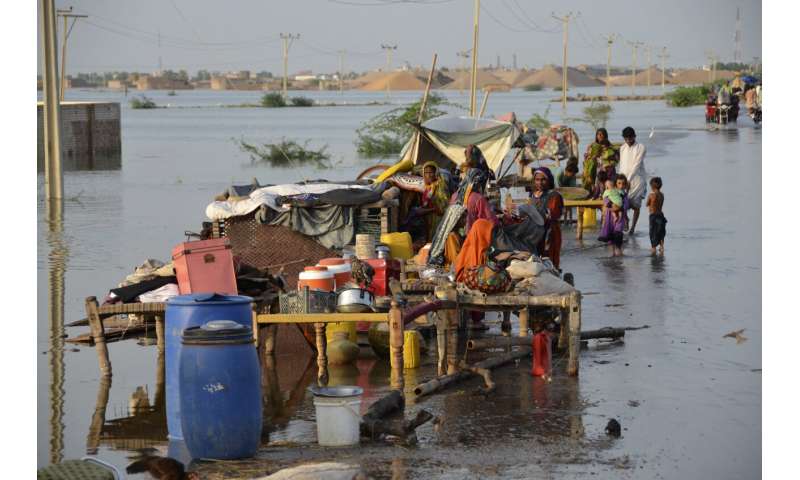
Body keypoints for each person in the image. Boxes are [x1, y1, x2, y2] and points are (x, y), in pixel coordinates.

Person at [531, 167, 564, 270]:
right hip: (535, 232)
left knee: (549, 258)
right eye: (537, 180)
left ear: (549, 180)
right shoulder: (533, 196)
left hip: (550, 232)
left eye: (543, 179)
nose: (540, 182)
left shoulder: (554, 195)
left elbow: (553, 213)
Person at [450, 166, 500, 234]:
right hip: (473, 238)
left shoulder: (454, 196)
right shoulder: (478, 198)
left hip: (456, 237)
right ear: (479, 183)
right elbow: (491, 221)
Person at [618, 126, 647, 235]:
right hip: (624, 182)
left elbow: (637, 164)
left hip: (637, 181)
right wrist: (620, 179)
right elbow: (621, 165)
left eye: (630, 138)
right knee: (622, 204)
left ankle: (633, 227)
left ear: (634, 136)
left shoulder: (641, 147)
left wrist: (629, 179)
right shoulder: (622, 148)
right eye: (626, 138)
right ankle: (626, 221)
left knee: (636, 206)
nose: (629, 140)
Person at [598, 174, 629, 257]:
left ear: (625, 185)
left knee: (618, 234)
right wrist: (612, 206)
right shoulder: (610, 192)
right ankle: (613, 254)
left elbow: (626, 205)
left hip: (620, 219)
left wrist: (619, 207)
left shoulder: (624, 195)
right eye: (619, 183)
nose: (621, 186)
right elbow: (605, 200)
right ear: (615, 184)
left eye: (623, 184)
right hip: (609, 218)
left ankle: (618, 252)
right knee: (611, 236)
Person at [418, 161, 450, 241]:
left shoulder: (440, 185)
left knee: (436, 238)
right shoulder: (425, 187)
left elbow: (444, 203)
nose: (428, 175)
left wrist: (434, 205)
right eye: (426, 172)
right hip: (427, 218)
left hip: (437, 218)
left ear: (435, 173)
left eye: (431, 172)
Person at [647, 176, 667, 255]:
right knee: (661, 230)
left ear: (651, 187)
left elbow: (647, 204)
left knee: (653, 231)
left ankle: (653, 247)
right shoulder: (662, 195)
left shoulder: (651, 195)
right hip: (660, 214)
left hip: (653, 215)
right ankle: (661, 247)